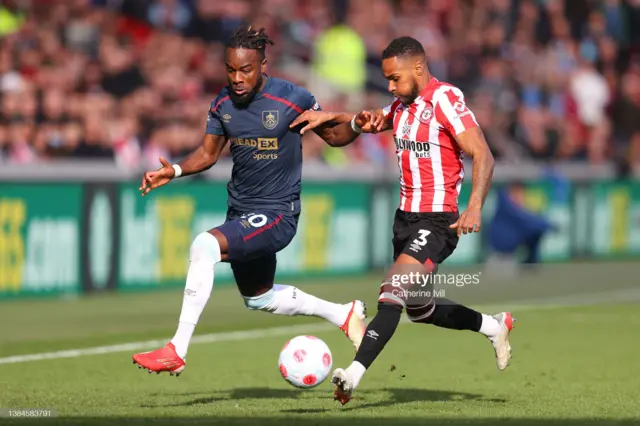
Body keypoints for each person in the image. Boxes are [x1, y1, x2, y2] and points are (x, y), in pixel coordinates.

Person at [131, 26, 372, 376]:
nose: (237, 78)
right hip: (242, 212)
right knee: (260, 297)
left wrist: (356, 124)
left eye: (246, 70)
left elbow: (334, 137)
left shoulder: (293, 98)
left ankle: (176, 349)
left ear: (263, 65)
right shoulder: (222, 103)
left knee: (204, 246)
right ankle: (343, 314)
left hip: (277, 213)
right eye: (231, 70)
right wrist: (176, 170)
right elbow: (208, 154)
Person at [289, 36, 516, 405]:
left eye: (395, 78)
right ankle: (494, 326)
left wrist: (474, 207)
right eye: (388, 80)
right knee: (420, 310)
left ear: (418, 68)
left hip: (438, 220)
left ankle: (353, 375)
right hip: (405, 220)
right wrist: (326, 119)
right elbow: (348, 133)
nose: (390, 86)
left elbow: (484, 155)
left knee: (390, 293)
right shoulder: (401, 106)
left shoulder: (445, 99)